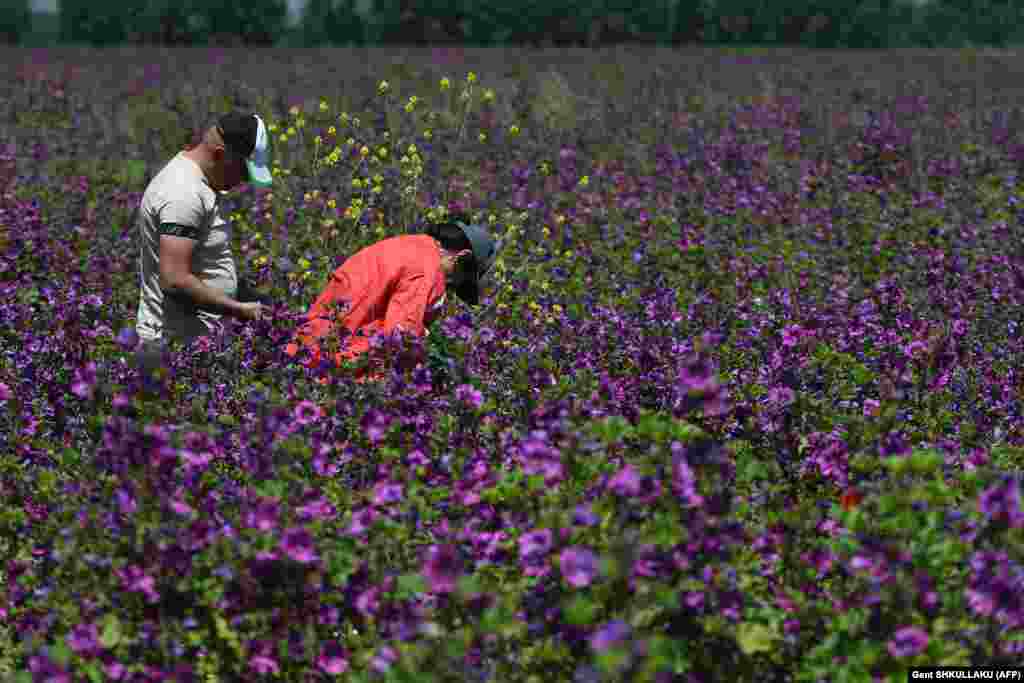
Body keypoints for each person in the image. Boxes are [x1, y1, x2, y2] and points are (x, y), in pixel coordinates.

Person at [133, 110, 273, 383]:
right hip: (175, 351)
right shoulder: (183, 194)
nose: (243, 182)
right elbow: (175, 279)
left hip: (195, 347)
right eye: (243, 171)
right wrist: (240, 309)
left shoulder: (199, 183)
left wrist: (243, 293)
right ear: (220, 155)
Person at [285, 215, 501, 384]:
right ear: (461, 257)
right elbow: (399, 337)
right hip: (334, 370)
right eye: (459, 279)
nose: (452, 286)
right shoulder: (428, 269)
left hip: (305, 352)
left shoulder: (410, 246)